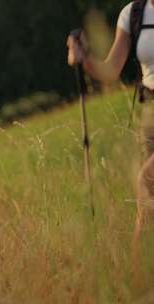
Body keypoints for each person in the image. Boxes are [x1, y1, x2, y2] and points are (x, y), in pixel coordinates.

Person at [67, 0, 154, 241]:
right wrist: (83, 59)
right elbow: (110, 71)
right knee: (150, 203)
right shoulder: (134, 13)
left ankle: (134, 273)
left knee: (146, 183)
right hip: (150, 114)